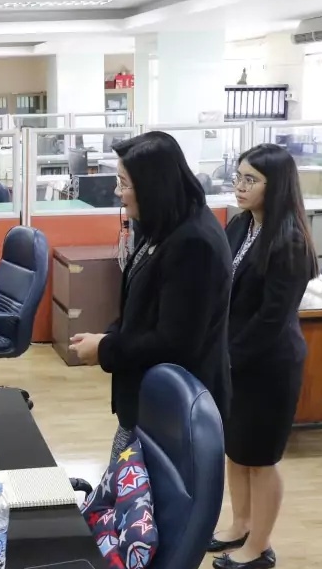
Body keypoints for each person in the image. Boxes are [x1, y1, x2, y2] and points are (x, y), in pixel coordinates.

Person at [69, 131, 232, 464]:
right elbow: (140, 308)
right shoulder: (162, 225)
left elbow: (175, 342)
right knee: (123, 486)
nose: (118, 192)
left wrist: (105, 349)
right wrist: (109, 336)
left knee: (143, 493)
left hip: (175, 411)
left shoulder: (193, 243)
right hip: (147, 403)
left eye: (124, 184)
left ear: (152, 185)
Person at [209, 144, 318, 569]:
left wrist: (228, 359)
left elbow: (271, 320)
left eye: (250, 180)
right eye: (237, 177)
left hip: (269, 364)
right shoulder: (241, 224)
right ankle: (240, 524)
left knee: (261, 458)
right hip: (235, 357)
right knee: (236, 451)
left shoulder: (289, 241)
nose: (239, 186)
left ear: (277, 186)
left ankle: (260, 546)